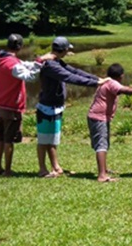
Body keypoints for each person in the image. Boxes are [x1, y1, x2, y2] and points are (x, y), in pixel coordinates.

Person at [37, 36, 108, 178]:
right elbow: (70, 77)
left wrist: (96, 79)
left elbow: (75, 71)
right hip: (46, 107)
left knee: (53, 138)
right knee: (44, 140)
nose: (68, 52)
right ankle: (42, 169)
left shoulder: (56, 62)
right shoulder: (50, 65)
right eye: (67, 49)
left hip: (55, 106)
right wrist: (94, 84)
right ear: (62, 50)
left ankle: (56, 166)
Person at [0, 34, 54, 176]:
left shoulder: (0, 58)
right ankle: (7, 171)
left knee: (0, 138)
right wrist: (39, 64)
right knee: (8, 141)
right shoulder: (12, 64)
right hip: (10, 107)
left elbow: (23, 65)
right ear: (20, 46)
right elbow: (30, 77)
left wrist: (40, 59)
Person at [87, 63, 132, 182]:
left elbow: (127, 88)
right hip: (98, 117)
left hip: (98, 117)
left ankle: (104, 169)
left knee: (104, 143)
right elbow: (127, 91)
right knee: (102, 145)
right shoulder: (112, 83)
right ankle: (102, 175)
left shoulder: (109, 81)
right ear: (121, 76)